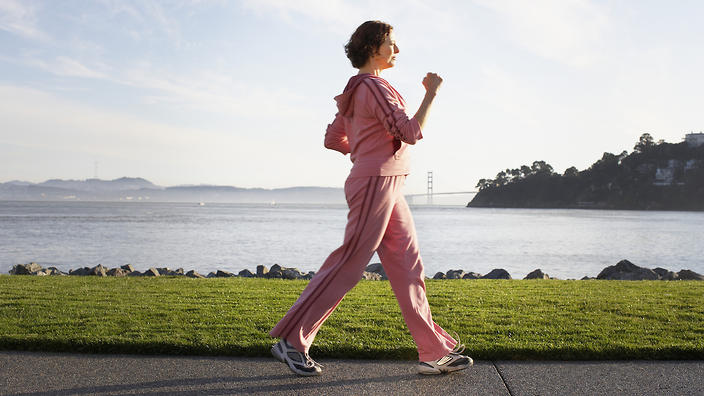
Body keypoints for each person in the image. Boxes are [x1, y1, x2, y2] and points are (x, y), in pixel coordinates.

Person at [269, 20, 472, 376]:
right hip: (376, 184)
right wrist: (431, 94)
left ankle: (432, 351)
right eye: (392, 43)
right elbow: (410, 132)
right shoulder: (374, 86)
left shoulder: (355, 91)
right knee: (348, 264)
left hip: (387, 183)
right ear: (374, 47)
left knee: (409, 267)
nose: (397, 50)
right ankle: (292, 341)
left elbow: (334, 139)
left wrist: (366, 148)